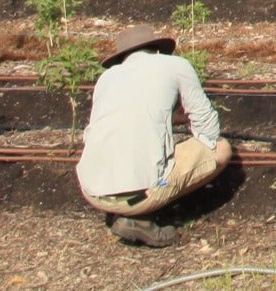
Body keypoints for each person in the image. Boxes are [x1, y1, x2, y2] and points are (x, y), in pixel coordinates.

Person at [77, 27, 234, 248]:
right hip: (143, 195)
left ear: (122, 58)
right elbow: (207, 126)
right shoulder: (176, 65)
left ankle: (126, 208)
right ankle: (141, 216)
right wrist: (193, 137)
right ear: (158, 50)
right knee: (220, 148)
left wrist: (167, 121)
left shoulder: (107, 77)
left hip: (92, 190)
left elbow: (119, 122)